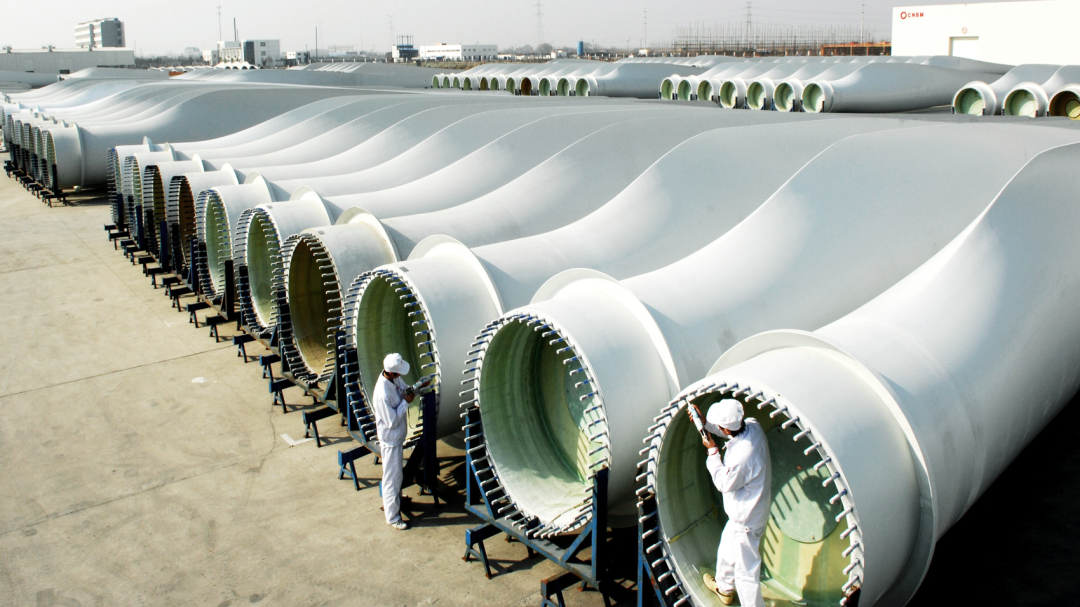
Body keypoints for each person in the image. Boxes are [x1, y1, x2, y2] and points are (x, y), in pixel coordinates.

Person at [689, 398, 772, 607]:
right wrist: (705, 424)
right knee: (727, 547)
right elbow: (729, 432)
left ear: (726, 428)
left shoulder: (741, 458)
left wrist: (712, 452)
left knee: (746, 575)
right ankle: (724, 588)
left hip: (747, 522)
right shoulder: (752, 425)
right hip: (743, 516)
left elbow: (724, 483)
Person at [372, 352, 420, 531]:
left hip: (397, 438)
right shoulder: (382, 393)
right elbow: (391, 421)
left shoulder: (394, 379)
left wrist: (417, 387)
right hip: (390, 440)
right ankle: (392, 517)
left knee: (396, 475)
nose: (400, 375)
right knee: (392, 478)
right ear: (391, 372)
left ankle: (396, 501)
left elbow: (405, 390)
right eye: (398, 373)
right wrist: (406, 403)